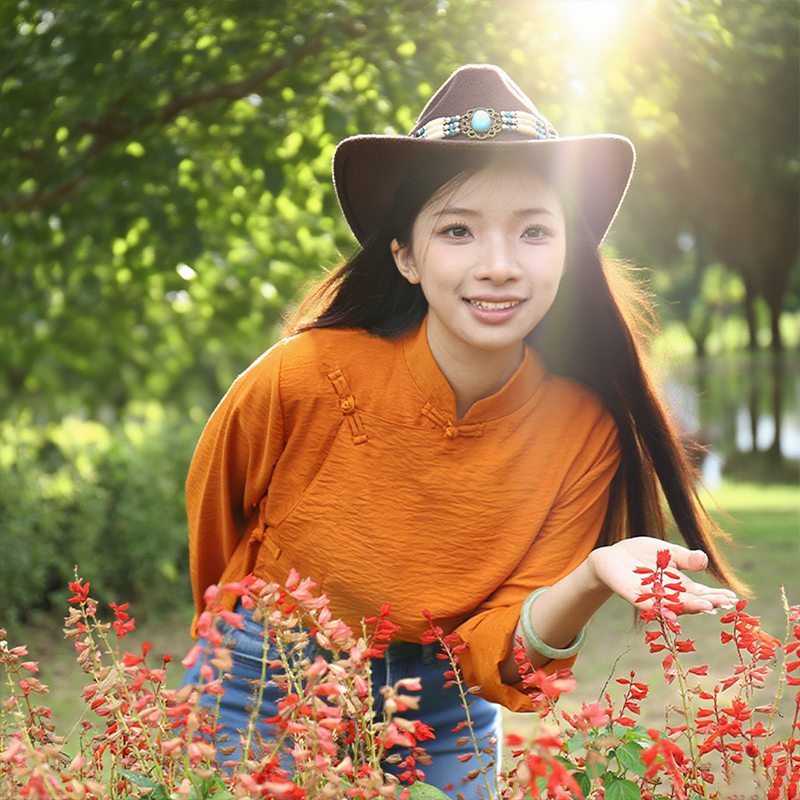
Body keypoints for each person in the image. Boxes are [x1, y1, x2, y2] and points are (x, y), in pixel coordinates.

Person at [182, 64, 743, 796]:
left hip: (445, 703)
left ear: (567, 252)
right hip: (265, 679)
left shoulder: (584, 429)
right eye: (458, 231)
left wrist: (591, 575)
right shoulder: (302, 377)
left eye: (534, 231)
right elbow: (215, 527)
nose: (500, 266)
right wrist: (236, 649)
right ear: (407, 257)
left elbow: (499, 654)